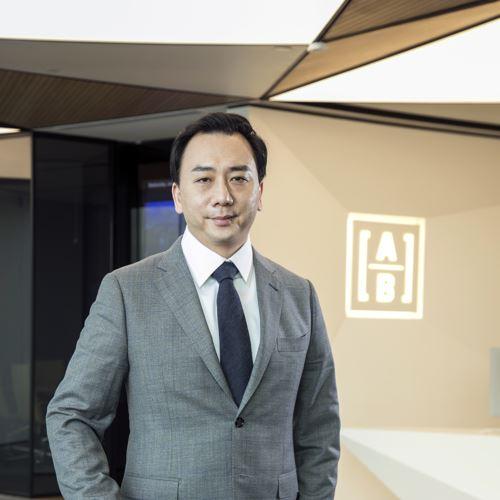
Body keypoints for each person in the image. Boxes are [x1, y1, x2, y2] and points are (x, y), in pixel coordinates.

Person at [46, 112, 341, 499]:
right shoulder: (127, 291)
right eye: (204, 179)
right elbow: (72, 417)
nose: (223, 196)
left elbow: (318, 428)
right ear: (177, 196)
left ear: (260, 192)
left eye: (239, 178)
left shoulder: (298, 294)